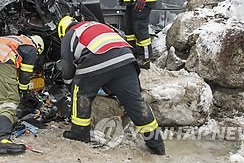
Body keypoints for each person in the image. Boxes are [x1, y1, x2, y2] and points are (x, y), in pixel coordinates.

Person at [57, 15, 165, 155]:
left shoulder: (71, 33)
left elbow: (66, 68)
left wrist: (69, 84)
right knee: (136, 103)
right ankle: (156, 143)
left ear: (62, 30)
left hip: (97, 58)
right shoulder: (97, 25)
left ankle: (79, 133)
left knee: (81, 93)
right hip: (126, 59)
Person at [0, 34, 44, 155]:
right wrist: (23, 90)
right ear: (38, 47)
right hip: (1, 60)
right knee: (10, 99)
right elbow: (25, 74)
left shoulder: (18, 39)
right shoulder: (31, 48)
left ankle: (6, 121)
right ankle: (3, 140)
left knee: (0, 92)